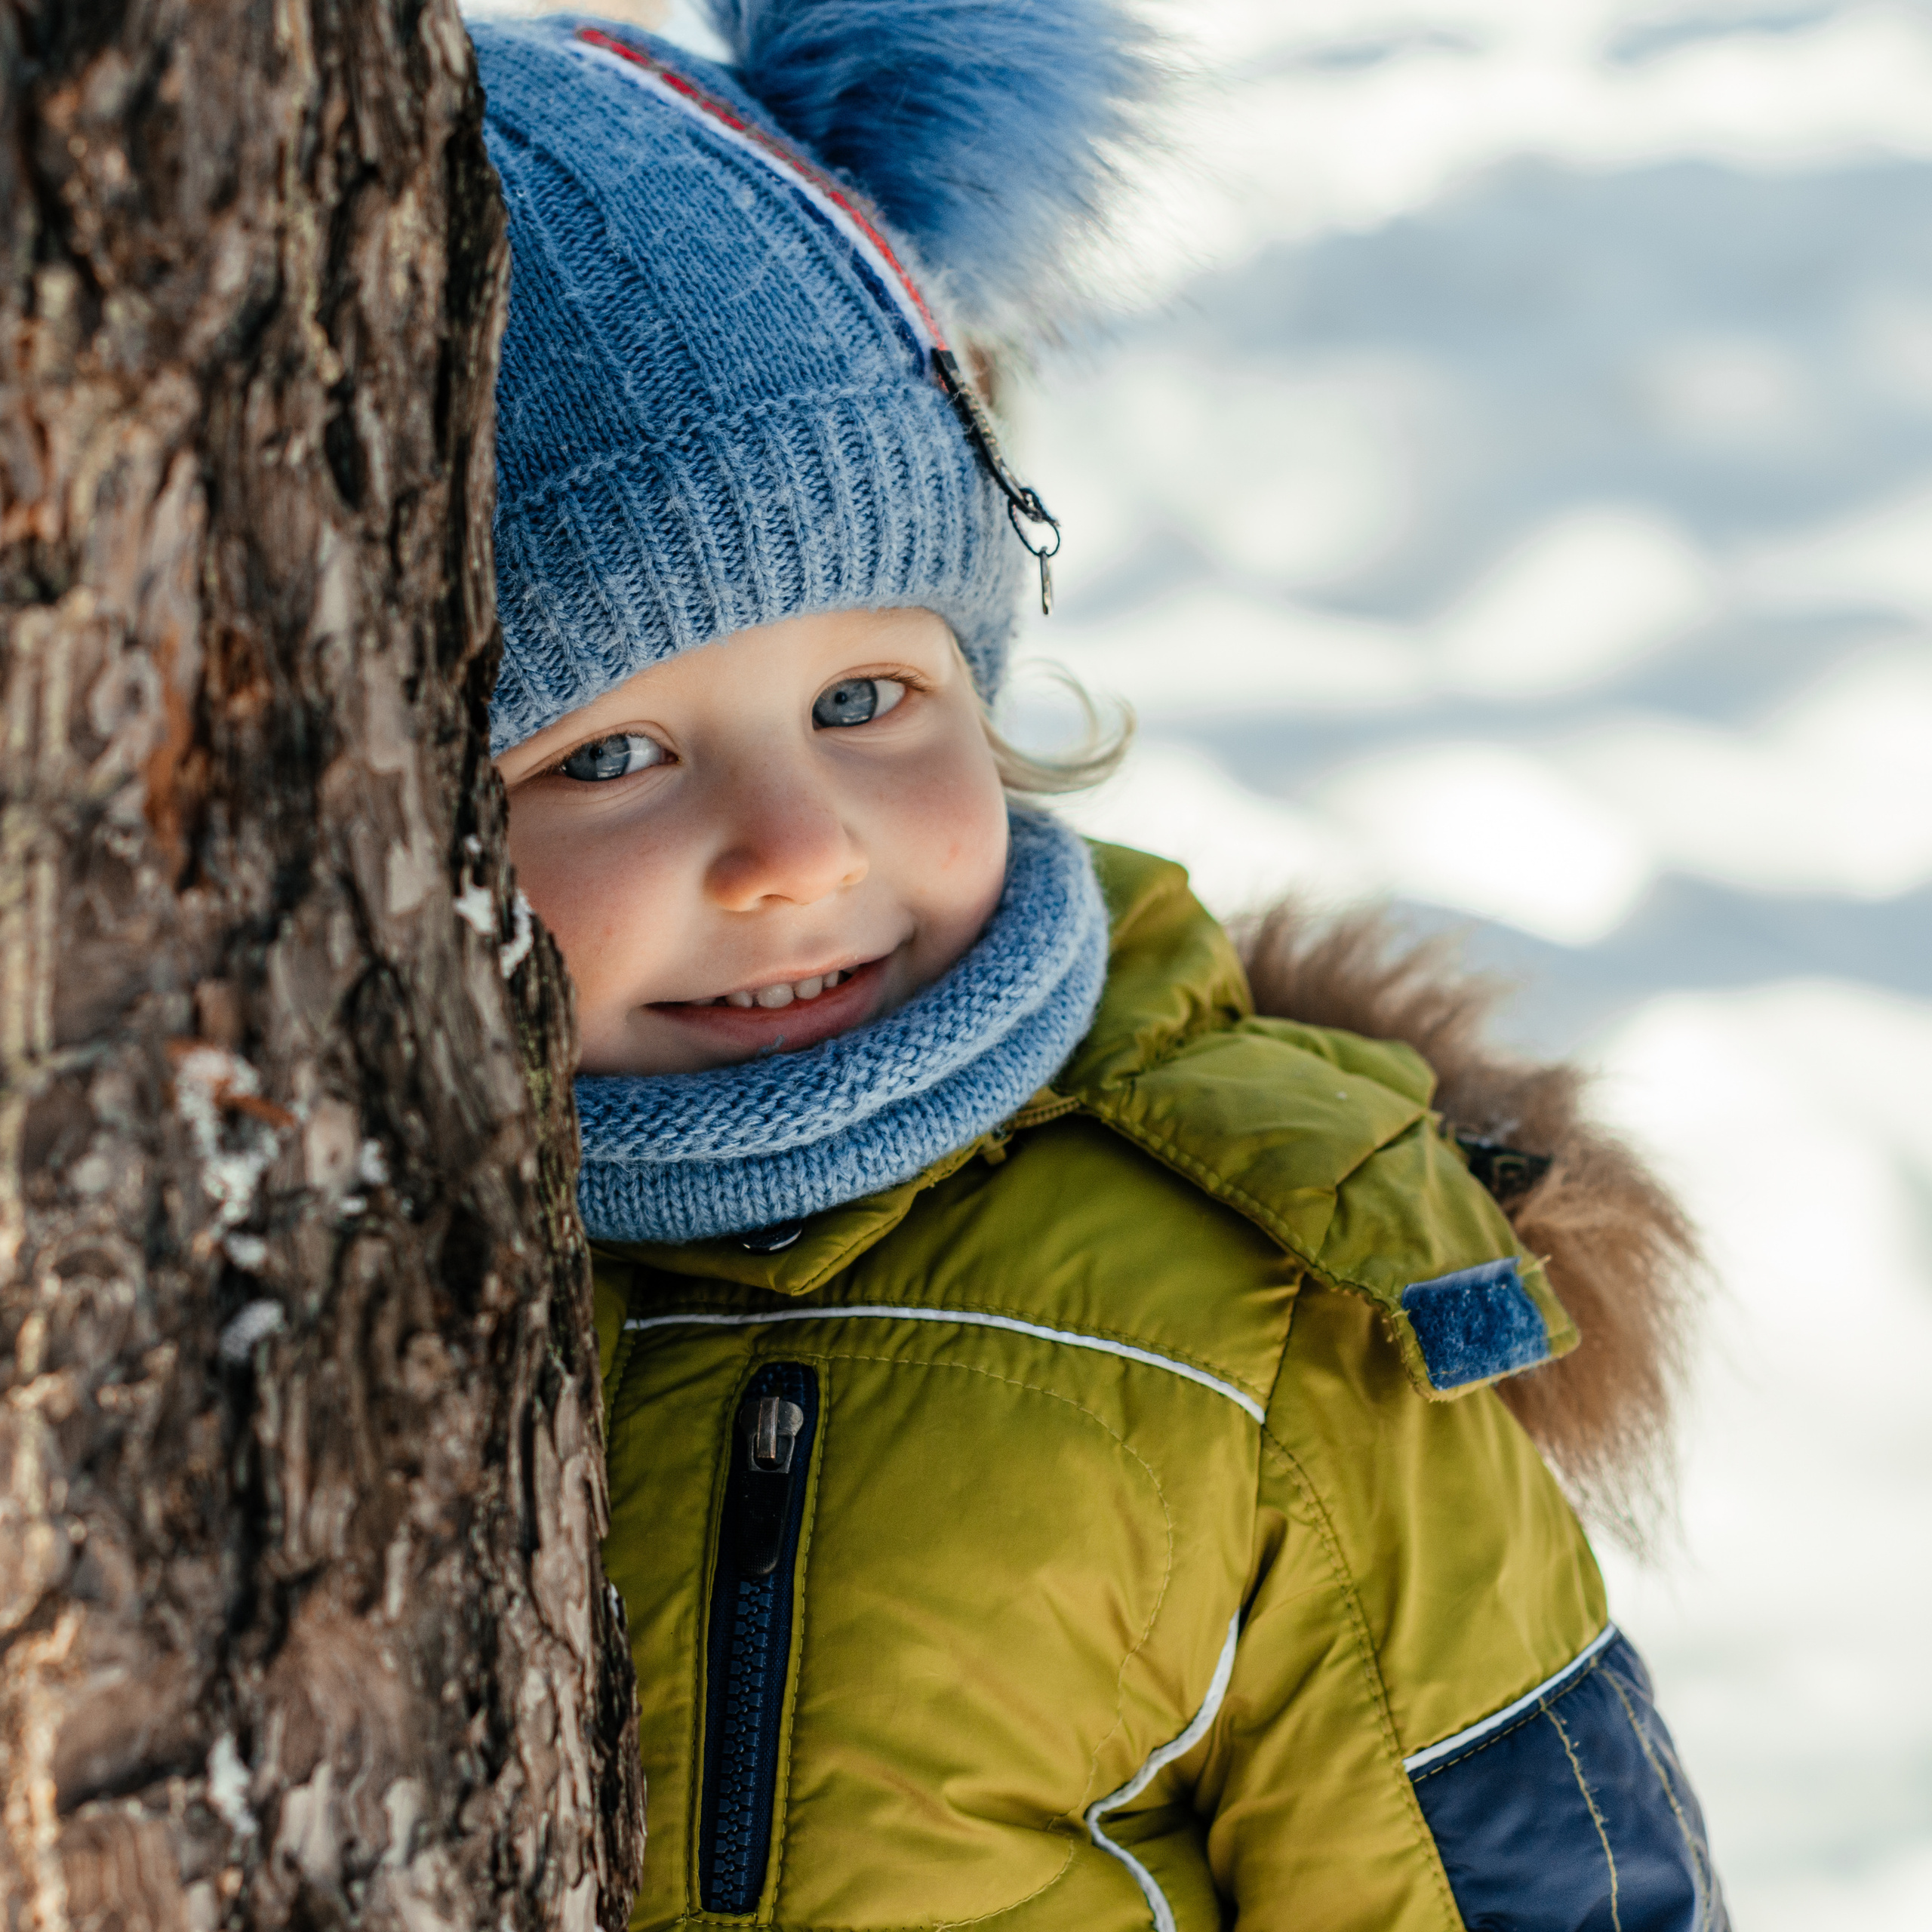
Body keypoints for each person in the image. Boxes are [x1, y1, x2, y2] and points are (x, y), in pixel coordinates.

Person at [470, 5, 1728, 1925]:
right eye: (608, 755)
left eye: (867, 695)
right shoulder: (357, 1278)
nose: (798, 848)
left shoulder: (1258, 1325)